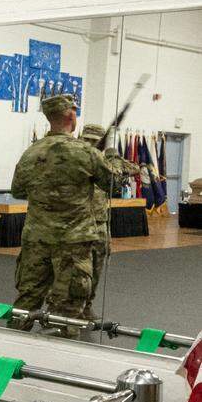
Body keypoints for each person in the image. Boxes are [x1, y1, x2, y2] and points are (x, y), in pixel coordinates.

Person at [10, 95, 114, 335]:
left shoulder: (31, 152)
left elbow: (17, 191)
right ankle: (57, 351)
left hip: (36, 238)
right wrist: (110, 158)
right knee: (66, 307)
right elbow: (113, 186)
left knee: (26, 300)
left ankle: (9, 345)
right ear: (71, 116)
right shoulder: (85, 152)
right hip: (72, 241)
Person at [77, 124, 139, 320]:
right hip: (76, 223)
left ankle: (86, 306)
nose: (90, 144)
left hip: (99, 224)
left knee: (96, 267)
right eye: (87, 140)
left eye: (94, 141)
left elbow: (133, 168)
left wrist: (113, 156)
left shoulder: (105, 163)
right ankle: (65, 308)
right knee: (71, 270)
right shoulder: (73, 159)